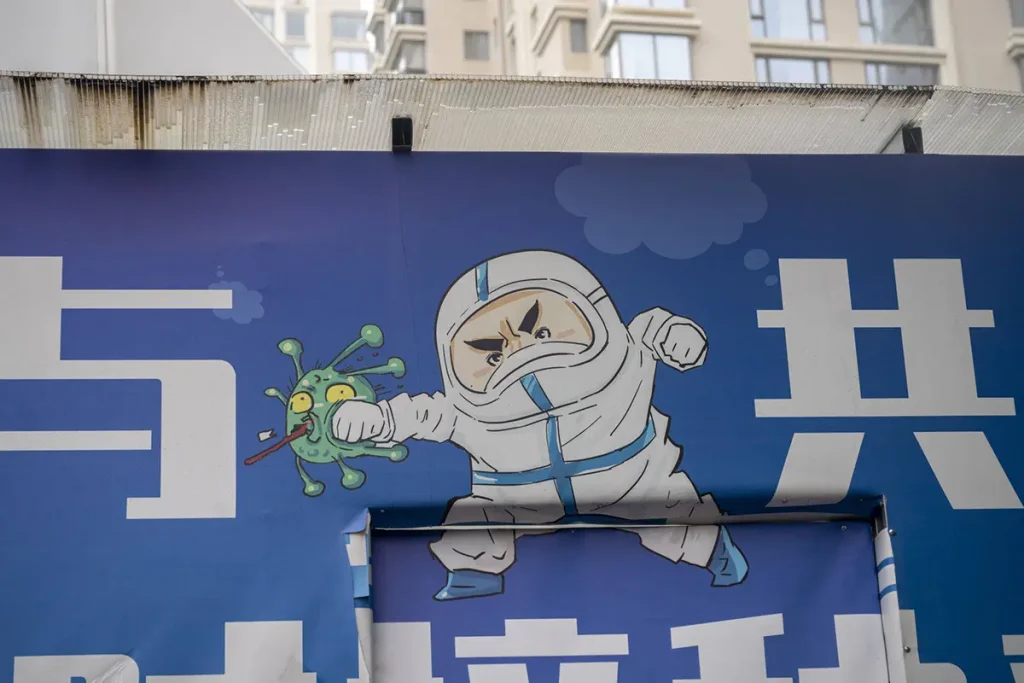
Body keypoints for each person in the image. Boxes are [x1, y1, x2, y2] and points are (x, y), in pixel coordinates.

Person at [331, 250, 748, 600]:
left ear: (594, 311)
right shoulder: (468, 410)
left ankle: (717, 553)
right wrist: (379, 419)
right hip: (513, 496)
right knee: (473, 522)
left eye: (541, 330)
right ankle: (473, 583)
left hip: (632, 478)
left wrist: (677, 337)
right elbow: (423, 414)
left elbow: (653, 329)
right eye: (493, 355)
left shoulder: (625, 355)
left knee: (675, 509)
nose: (520, 352)